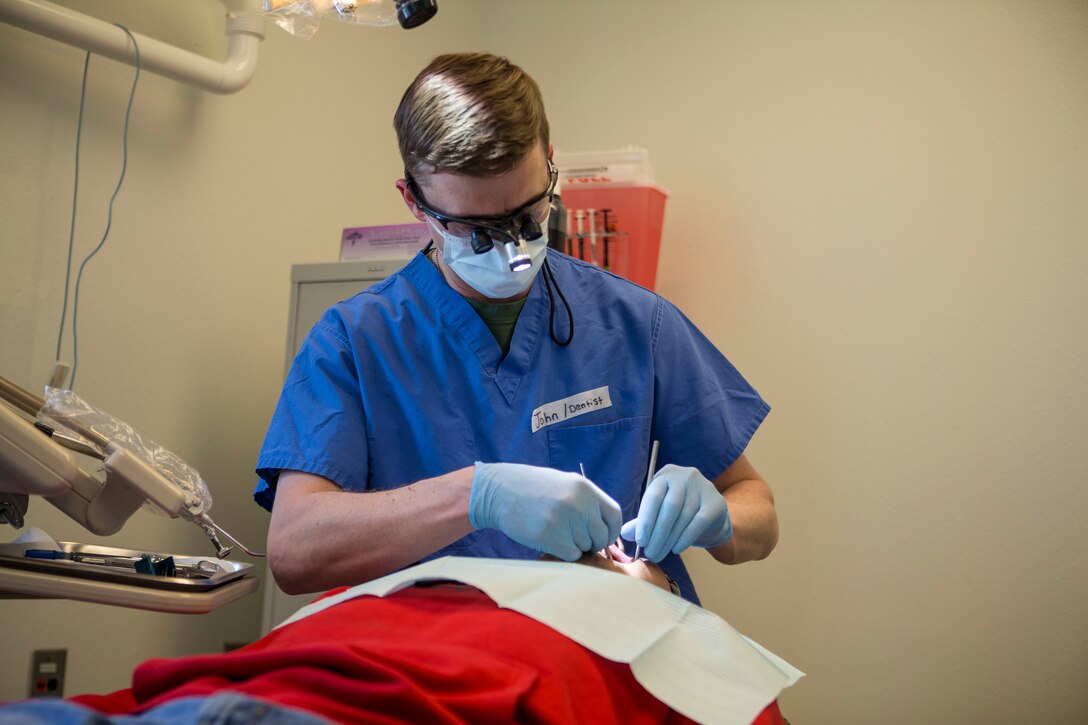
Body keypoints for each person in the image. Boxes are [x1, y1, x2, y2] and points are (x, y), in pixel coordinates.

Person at [254, 51, 779, 604]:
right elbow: (294, 552)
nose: (513, 249)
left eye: (529, 216)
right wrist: (478, 497)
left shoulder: (634, 324)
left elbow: (757, 510)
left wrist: (721, 520)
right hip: (437, 662)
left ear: (549, 164)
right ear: (415, 202)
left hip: (603, 646)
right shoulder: (354, 342)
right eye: (478, 231)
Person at [0, 555, 793, 725]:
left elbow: (752, 510)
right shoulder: (422, 580)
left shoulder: (668, 638)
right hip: (215, 697)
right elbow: (296, 552)